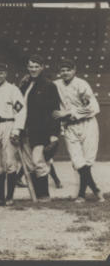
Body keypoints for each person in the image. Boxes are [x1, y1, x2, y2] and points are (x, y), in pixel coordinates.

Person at [52, 59, 104, 203]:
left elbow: (94, 107)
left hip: (87, 123)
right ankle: (95, 189)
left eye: (68, 69)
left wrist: (68, 113)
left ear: (74, 70)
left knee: (88, 160)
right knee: (77, 161)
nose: (65, 72)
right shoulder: (56, 84)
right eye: (62, 70)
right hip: (69, 126)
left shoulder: (82, 84)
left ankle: (81, 194)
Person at [15, 55, 61, 202]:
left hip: (41, 131)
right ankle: (36, 196)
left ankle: (44, 195)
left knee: (38, 161)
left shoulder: (49, 85)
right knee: (29, 165)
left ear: (42, 67)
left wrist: (54, 134)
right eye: (31, 66)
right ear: (27, 68)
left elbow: (55, 111)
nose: (33, 69)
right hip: (25, 130)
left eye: (36, 66)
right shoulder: (25, 84)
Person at [0, 63, 26, 206]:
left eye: (1, 73)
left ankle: (9, 197)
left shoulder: (13, 90)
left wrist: (17, 130)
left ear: (5, 74)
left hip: (8, 124)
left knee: (9, 161)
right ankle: (0, 197)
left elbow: (20, 111)